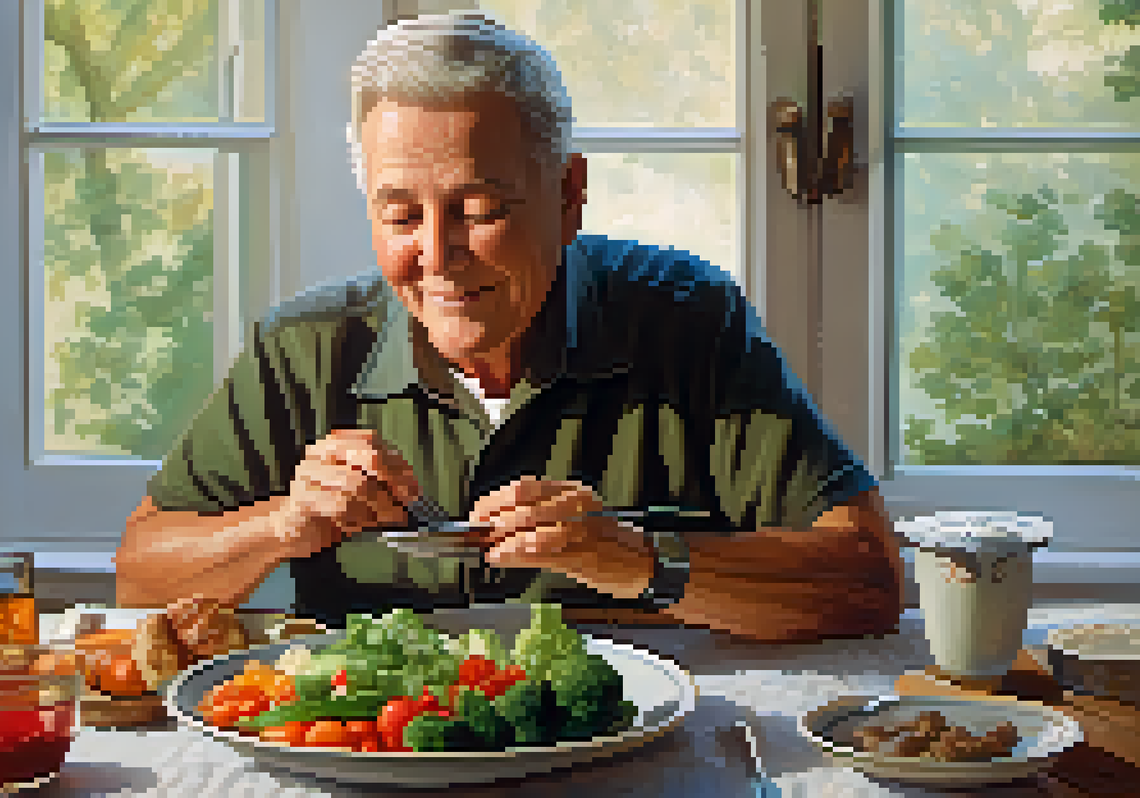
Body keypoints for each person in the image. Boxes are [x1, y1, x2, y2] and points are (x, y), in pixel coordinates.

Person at [114, 12, 903, 642]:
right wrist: (281, 525)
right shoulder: (303, 348)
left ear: (569, 195)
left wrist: (636, 562)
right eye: (399, 214)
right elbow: (138, 579)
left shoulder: (688, 320)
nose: (437, 256)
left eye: (478, 209)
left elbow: (868, 580)